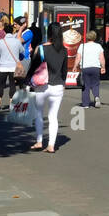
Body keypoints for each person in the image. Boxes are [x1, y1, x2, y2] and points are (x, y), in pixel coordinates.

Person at [25, 23, 68, 153]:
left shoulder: (41, 48)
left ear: (48, 33)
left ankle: (39, 141)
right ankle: (51, 145)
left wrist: (27, 81)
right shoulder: (64, 50)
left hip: (42, 86)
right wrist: (64, 83)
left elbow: (33, 67)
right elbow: (64, 70)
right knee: (53, 116)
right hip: (58, 86)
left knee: (38, 114)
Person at [0, 21, 24, 111]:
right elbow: (22, 50)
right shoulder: (16, 41)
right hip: (13, 67)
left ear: (5, 32)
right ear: (12, 31)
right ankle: (11, 104)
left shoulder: (1, 42)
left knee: (1, 85)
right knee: (12, 85)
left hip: (3, 66)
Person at [79, 31, 106, 108]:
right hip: (95, 68)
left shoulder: (82, 46)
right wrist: (103, 67)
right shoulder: (98, 46)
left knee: (85, 86)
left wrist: (74, 66)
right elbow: (102, 58)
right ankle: (96, 96)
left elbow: (78, 57)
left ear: (87, 37)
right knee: (95, 84)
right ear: (95, 37)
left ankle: (85, 104)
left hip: (85, 68)